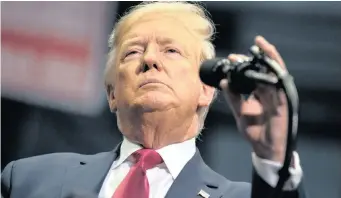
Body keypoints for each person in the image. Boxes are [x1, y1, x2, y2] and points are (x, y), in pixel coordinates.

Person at [1, 2, 307, 198]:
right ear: (112, 95)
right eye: (132, 52)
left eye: (171, 51)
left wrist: (273, 157)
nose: (149, 59)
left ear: (206, 91)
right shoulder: (28, 180)